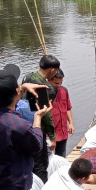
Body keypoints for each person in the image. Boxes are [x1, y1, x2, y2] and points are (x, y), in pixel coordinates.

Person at [23, 55, 60, 183]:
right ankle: (41, 187)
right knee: (41, 163)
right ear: (52, 70)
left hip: (25, 122)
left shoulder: (27, 77)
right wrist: (52, 136)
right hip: (38, 126)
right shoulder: (43, 86)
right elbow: (47, 113)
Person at [49, 68, 73, 158]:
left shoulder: (64, 91)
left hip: (62, 131)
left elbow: (68, 108)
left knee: (61, 157)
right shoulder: (45, 93)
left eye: (61, 83)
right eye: (56, 83)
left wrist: (70, 123)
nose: (59, 85)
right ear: (49, 80)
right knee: (48, 159)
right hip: (50, 133)